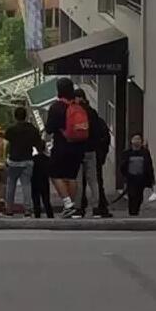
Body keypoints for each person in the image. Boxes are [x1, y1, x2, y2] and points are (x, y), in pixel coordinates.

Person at [46, 78, 87, 218]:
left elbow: (49, 129)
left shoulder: (56, 107)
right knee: (71, 176)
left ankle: (68, 204)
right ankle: (72, 206)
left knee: (54, 174)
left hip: (61, 146)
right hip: (78, 147)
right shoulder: (78, 106)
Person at [4, 106, 42, 217]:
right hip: (27, 160)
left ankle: (9, 209)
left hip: (14, 161)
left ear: (15, 116)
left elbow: (7, 144)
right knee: (26, 185)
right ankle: (27, 210)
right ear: (25, 116)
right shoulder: (32, 129)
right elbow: (38, 145)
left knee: (11, 184)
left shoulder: (11, 130)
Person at [73, 89, 101, 218]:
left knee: (78, 181)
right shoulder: (92, 112)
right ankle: (96, 208)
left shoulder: (74, 112)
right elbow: (97, 132)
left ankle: (78, 208)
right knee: (93, 181)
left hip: (77, 149)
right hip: (91, 150)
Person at [120, 133, 155, 216]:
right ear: (131, 141)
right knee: (132, 195)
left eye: (138, 139)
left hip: (141, 178)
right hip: (131, 178)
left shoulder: (145, 152)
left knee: (139, 196)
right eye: (135, 139)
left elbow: (149, 166)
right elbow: (122, 166)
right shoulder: (127, 153)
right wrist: (125, 176)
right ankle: (132, 212)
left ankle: (136, 210)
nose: (137, 141)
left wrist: (151, 179)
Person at [32, 139, 54, 219]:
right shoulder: (47, 159)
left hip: (34, 181)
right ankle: (50, 215)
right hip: (44, 181)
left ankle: (37, 215)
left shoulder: (33, 159)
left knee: (36, 200)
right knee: (46, 200)